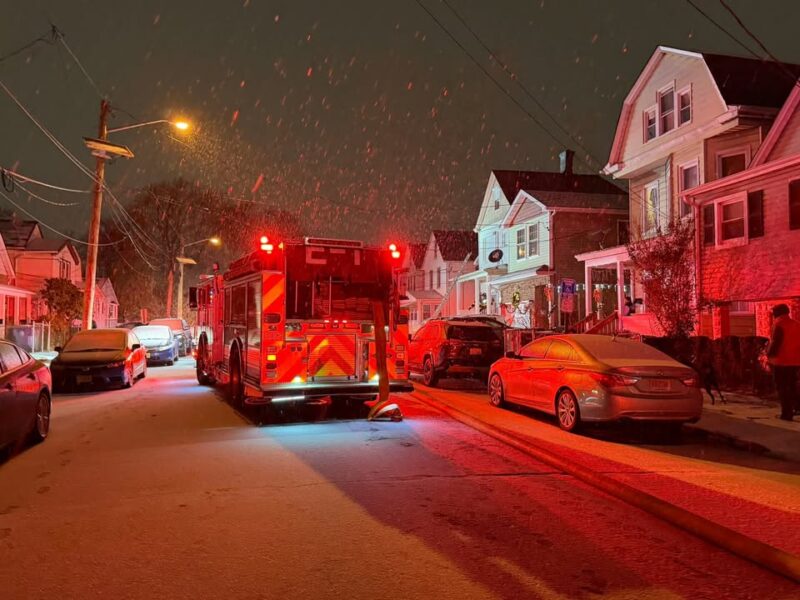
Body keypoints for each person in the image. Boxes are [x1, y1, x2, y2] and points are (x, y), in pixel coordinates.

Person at [766, 304, 800, 421]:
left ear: (777, 313)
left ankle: (786, 413)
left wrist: (768, 355)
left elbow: (776, 343)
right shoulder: (796, 324)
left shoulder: (778, 324)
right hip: (795, 361)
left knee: (782, 386)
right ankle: (797, 407)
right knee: (792, 385)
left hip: (781, 361)